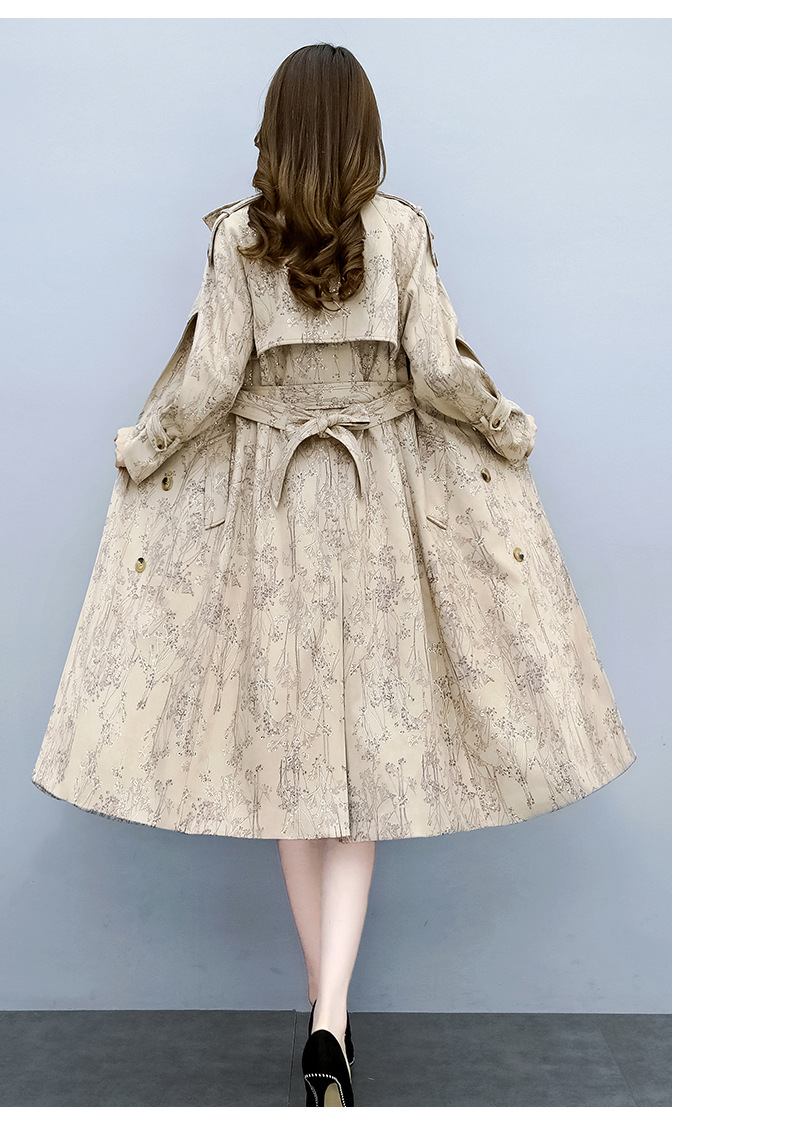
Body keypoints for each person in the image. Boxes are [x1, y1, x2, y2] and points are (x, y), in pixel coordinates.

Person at [32, 43, 636, 1108]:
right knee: (359, 774)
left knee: (291, 769)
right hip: (378, 515)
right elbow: (438, 372)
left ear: (276, 128)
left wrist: (142, 445)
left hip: (270, 516)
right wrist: (505, 423)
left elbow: (211, 383)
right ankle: (330, 1018)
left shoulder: (237, 238)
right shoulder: (401, 230)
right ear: (363, 130)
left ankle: (326, 1018)